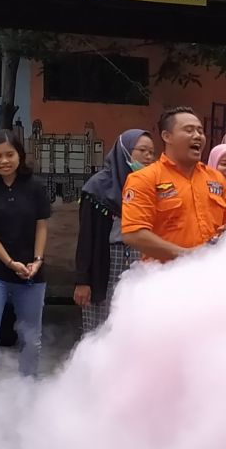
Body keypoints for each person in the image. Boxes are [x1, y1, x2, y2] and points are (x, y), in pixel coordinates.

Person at [0, 130, 51, 390]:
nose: (4, 161)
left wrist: (37, 260)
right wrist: (9, 262)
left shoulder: (36, 187)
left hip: (31, 272)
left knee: (31, 339)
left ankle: (27, 389)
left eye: (9, 154)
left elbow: (41, 226)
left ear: (20, 155)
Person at [121, 107, 226, 261]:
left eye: (200, 131)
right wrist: (187, 256)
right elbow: (133, 234)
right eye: (189, 130)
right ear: (167, 136)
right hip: (164, 277)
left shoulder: (215, 178)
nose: (198, 136)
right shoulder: (144, 179)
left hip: (213, 273)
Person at [74, 129, 156, 331]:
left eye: (152, 152)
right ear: (125, 151)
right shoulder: (97, 188)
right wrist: (82, 281)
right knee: (100, 327)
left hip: (141, 258)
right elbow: (86, 238)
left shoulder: (152, 185)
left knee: (133, 323)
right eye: (142, 150)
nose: (148, 157)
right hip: (107, 261)